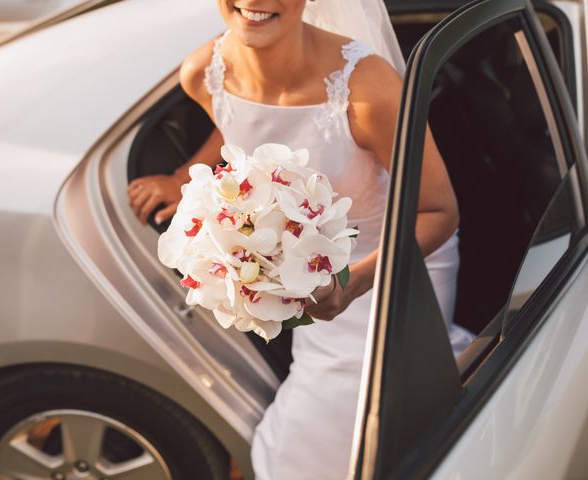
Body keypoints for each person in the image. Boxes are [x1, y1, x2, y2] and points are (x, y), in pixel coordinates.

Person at [129, 1, 474, 478]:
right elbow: (236, 124)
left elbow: (439, 212)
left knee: (355, 431)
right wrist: (183, 176)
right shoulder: (201, 73)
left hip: (393, 261)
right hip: (306, 281)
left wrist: (351, 284)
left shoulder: (367, 88)